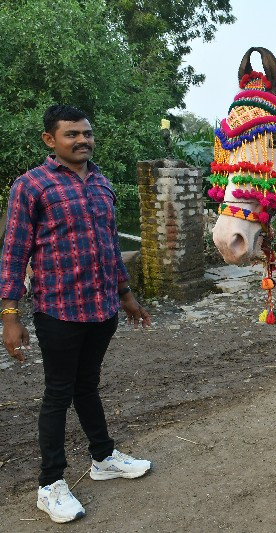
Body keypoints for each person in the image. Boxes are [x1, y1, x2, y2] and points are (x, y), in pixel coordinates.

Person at [1, 105, 153, 523]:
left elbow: (109, 248)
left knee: (87, 386)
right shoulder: (31, 186)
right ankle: (50, 484)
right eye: (72, 135)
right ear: (50, 140)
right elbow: (14, 254)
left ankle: (102, 459)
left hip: (102, 308)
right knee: (58, 393)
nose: (82, 140)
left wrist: (127, 297)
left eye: (87, 133)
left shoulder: (103, 184)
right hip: (59, 310)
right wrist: (9, 315)